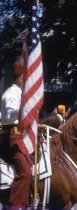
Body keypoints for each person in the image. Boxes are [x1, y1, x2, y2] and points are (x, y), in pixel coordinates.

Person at [1, 67, 31, 209]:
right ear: (20, 78)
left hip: (20, 135)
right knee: (26, 172)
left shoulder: (21, 93)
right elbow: (9, 113)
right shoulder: (11, 94)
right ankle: (16, 205)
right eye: (25, 78)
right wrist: (24, 111)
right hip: (12, 137)